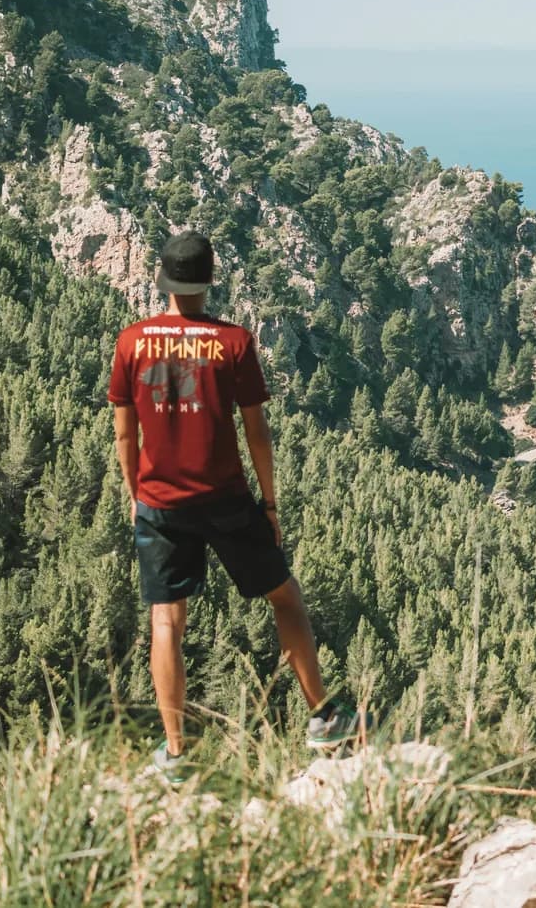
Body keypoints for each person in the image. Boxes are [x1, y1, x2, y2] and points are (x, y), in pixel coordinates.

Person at [108, 230, 361, 783]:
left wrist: (135, 497)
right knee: (285, 598)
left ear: (162, 280)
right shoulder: (234, 343)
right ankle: (322, 716)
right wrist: (269, 504)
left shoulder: (132, 342)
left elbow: (125, 437)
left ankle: (177, 755)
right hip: (226, 499)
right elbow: (257, 433)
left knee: (166, 622)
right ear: (209, 280)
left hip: (159, 503)